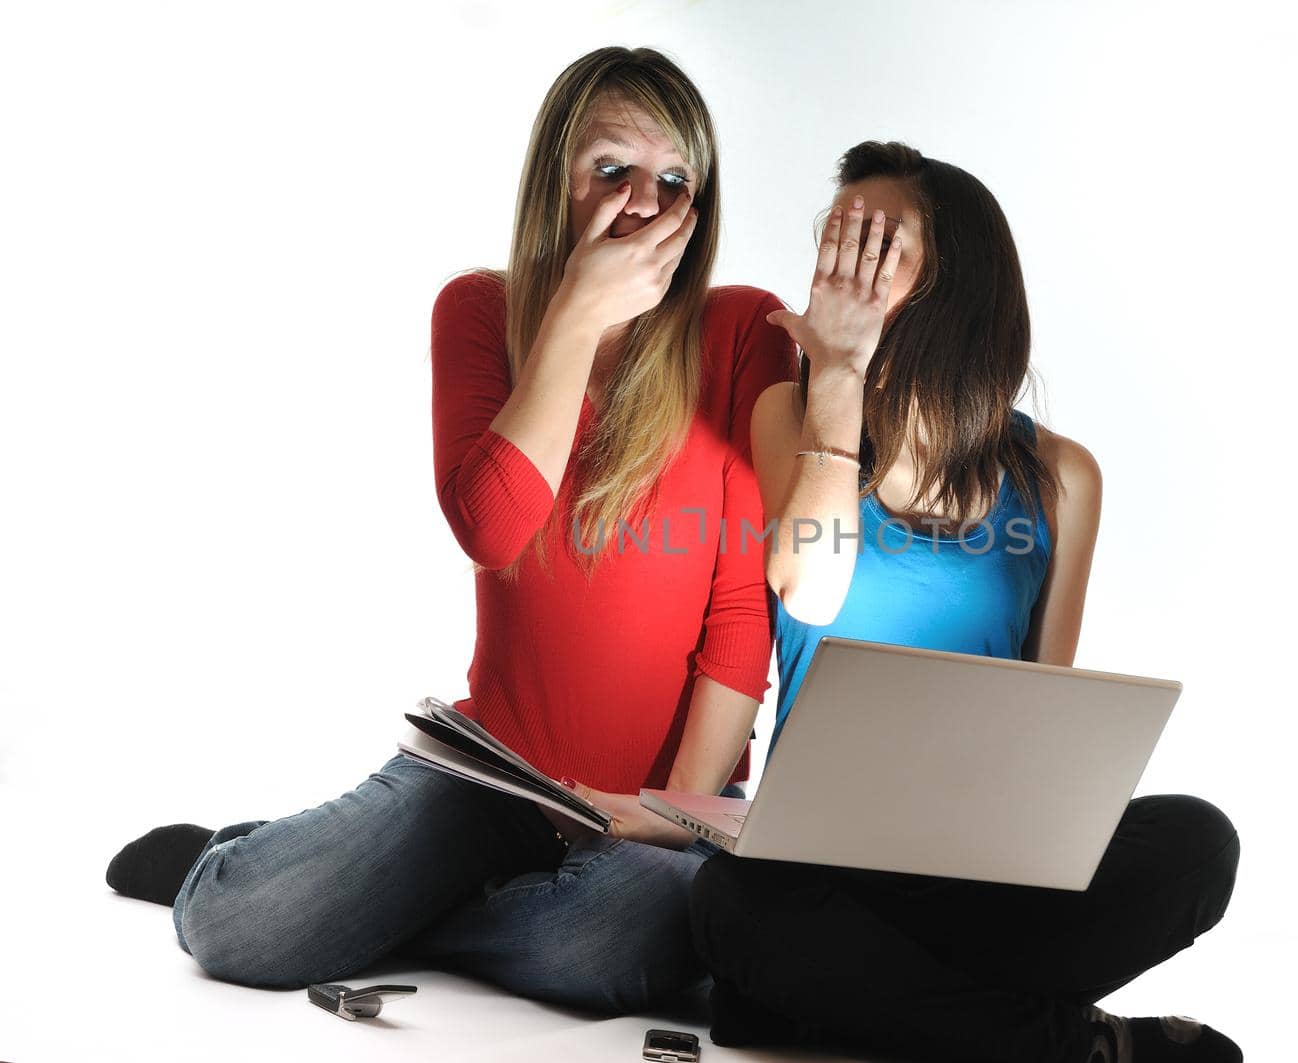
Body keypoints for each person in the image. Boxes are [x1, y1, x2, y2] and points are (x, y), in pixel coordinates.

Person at [103, 46, 797, 1015]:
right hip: (495, 776)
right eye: (611, 170)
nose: (643, 203)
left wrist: (670, 819)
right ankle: (327, 879)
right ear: (554, 176)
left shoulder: (741, 330)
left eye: (673, 180)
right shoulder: (478, 310)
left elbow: (738, 617)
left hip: (657, 813)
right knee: (232, 922)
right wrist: (574, 314)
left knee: (624, 937)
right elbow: (493, 527)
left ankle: (394, 907)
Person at [687, 141, 1243, 1062]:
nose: (841, 271)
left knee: (1198, 840)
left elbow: (1043, 723)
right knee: (731, 904)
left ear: (958, 284)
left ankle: (846, 1008)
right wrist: (838, 377)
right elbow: (810, 587)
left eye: (876, 244)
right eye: (835, 240)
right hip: (817, 872)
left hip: (979, 880)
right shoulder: (789, 417)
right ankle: (1076, 1048)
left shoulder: (1062, 477)